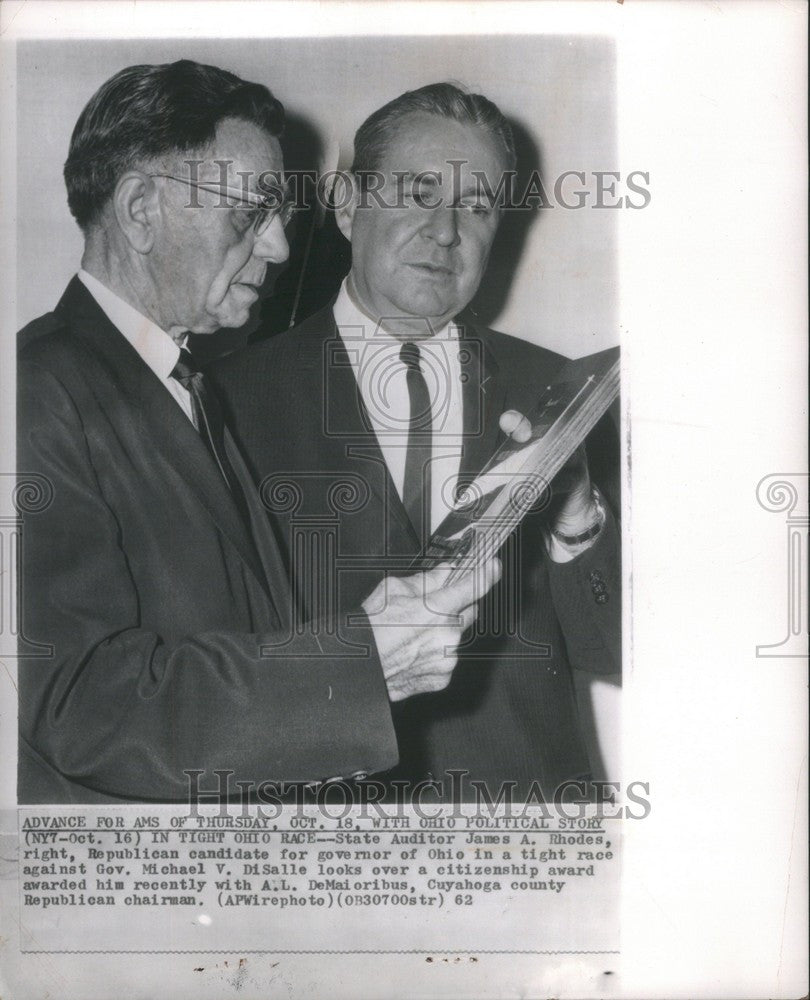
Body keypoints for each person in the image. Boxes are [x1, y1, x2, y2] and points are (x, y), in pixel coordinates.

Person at [16, 63, 499, 805]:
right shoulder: (37, 390)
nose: (277, 247)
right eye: (250, 214)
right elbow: (79, 705)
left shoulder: (189, 385)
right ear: (142, 209)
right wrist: (358, 664)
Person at [212, 83, 622, 802]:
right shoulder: (224, 400)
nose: (446, 230)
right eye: (419, 190)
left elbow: (625, 651)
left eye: (478, 205)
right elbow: (204, 671)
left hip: (526, 847)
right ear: (346, 204)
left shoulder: (560, 391)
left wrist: (579, 525)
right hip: (320, 853)